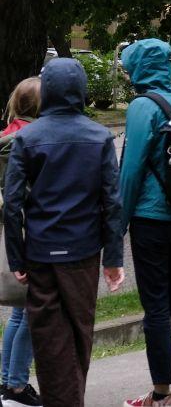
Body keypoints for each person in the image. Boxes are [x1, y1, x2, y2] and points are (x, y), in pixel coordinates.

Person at [4, 62, 124, 407]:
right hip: (84, 253)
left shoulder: (27, 137)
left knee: (48, 341)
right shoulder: (100, 137)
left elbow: (12, 204)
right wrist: (113, 258)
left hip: (40, 253)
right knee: (79, 334)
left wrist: (17, 256)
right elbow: (112, 202)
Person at [118, 39, 171, 407]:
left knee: (155, 305)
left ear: (140, 69)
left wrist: (115, 227)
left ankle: (158, 392)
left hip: (151, 219)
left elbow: (131, 171)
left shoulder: (143, 106)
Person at [0, 79, 41, 407]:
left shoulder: (8, 133)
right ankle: (16, 384)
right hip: (29, 231)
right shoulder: (26, 139)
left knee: (18, 312)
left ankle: (6, 380)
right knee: (30, 312)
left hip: (13, 230)